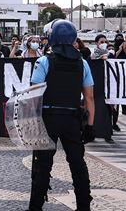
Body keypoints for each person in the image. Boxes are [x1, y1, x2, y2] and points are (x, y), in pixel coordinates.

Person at [29, 19, 94, 211]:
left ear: (52, 39)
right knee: (77, 164)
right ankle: (84, 206)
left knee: (43, 165)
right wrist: (90, 125)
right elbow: (89, 98)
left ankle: (35, 207)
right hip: (72, 119)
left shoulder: (43, 61)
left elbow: (34, 95)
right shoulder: (82, 64)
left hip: (48, 118)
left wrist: (33, 123)